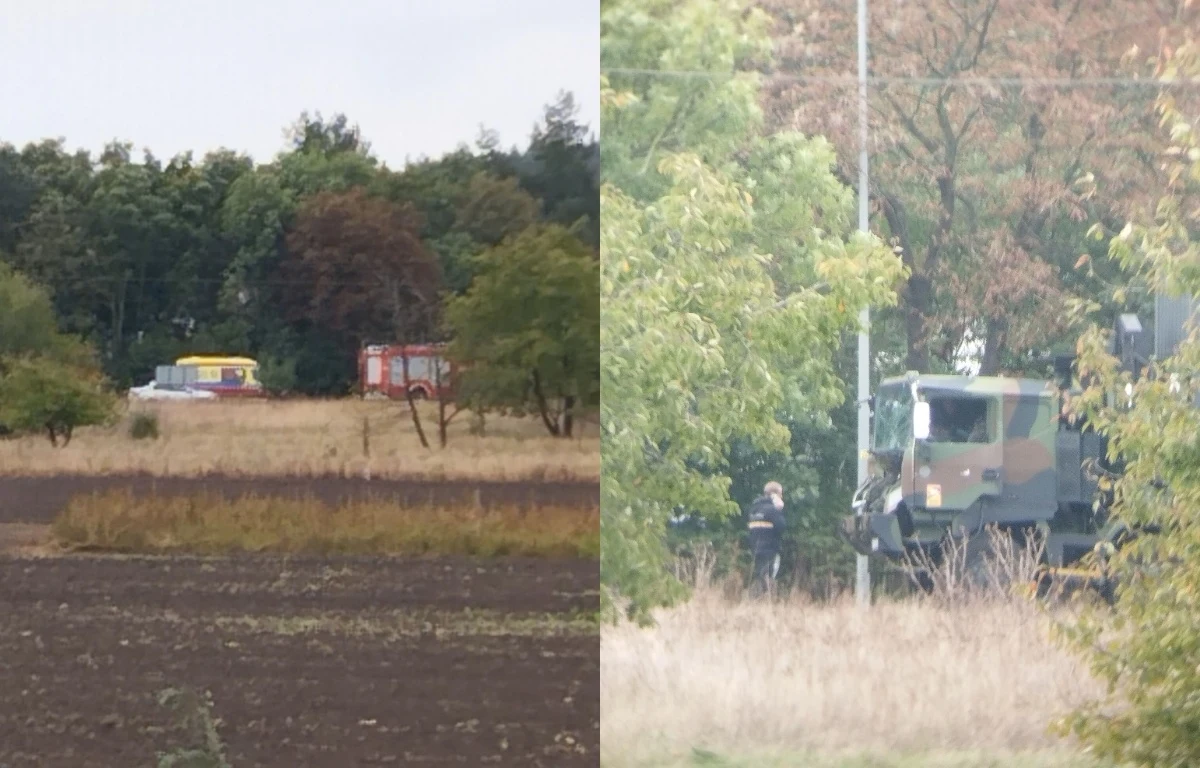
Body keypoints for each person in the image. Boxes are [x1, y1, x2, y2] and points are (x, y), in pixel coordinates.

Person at [746, 481, 786, 597]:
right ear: (775, 494)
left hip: (756, 549)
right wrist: (779, 510)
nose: (782, 497)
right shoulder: (773, 510)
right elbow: (782, 526)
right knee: (769, 578)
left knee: (760, 576)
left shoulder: (754, 509)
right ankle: (765, 601)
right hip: (770, 550)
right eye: (780, 494)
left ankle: (758, 599)